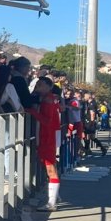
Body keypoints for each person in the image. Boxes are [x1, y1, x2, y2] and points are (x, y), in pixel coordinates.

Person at [31, 78, 63, 210]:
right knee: (50, 168)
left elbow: (47, 121)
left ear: (49, 86)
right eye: (37, 85)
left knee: (50, 169)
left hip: (47, 137)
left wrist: (32, 112)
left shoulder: (47, 101)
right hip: (49, 136)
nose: (38, 87)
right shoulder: (52, 99)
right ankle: (55, 196)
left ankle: (51, 203)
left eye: (41, 85)